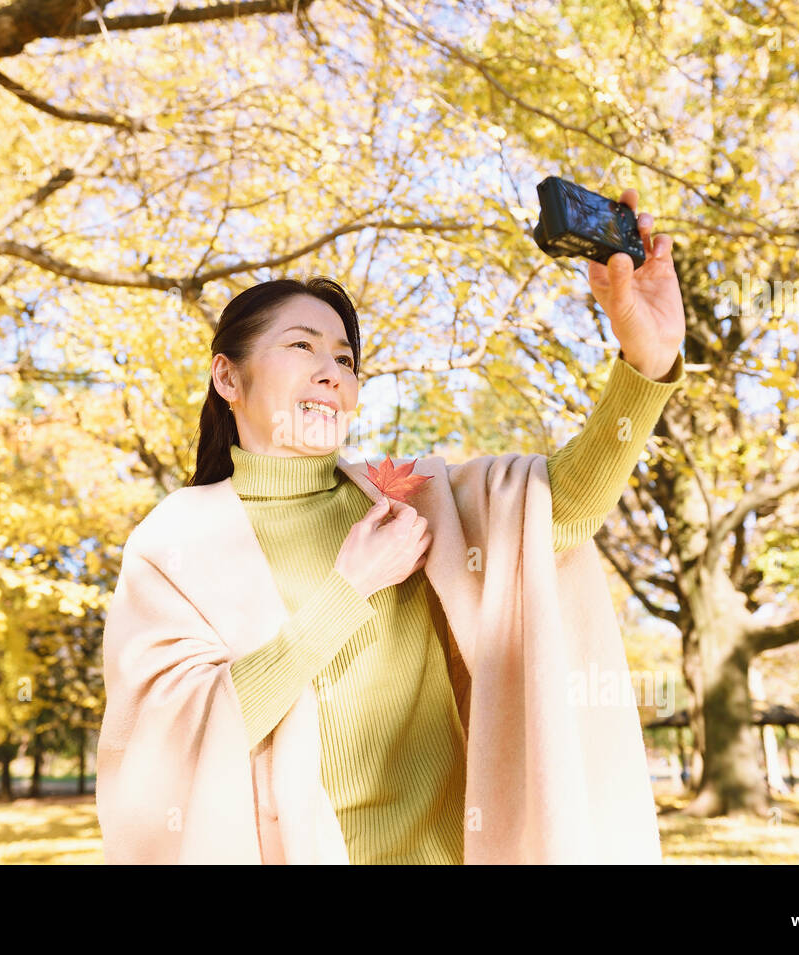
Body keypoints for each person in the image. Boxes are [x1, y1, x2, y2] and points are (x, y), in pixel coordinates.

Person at [100, 189, 685, 863]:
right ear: (227, 377)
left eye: (346, 359)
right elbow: (169, 748)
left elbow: (556, 511)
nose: (332, 372)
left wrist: (647, 362)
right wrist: (348, 593)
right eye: (302, 346)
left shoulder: (402, 495)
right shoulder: (176, 542)